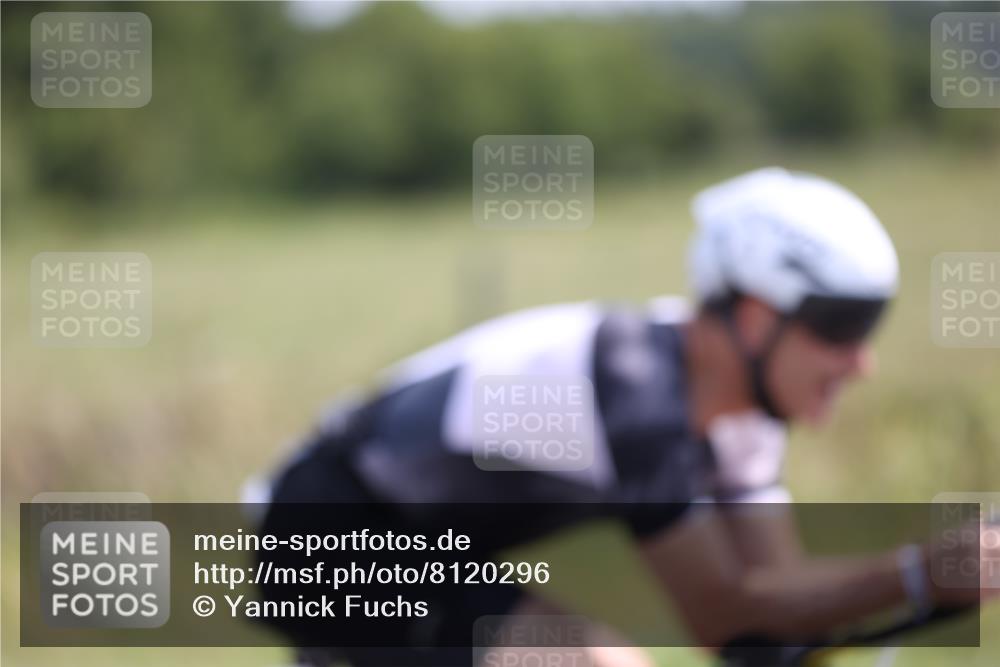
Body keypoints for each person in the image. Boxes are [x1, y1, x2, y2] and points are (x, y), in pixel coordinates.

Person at [251, 168, 993, 667]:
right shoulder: (636, 388)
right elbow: (722, 613)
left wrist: (921, 586)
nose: (860, 362)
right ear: (757, 314)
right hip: (323, 532)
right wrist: (923, 574)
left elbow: (778, 600)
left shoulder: (742, 409)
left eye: (872, 328)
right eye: (841, 327)